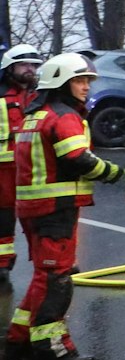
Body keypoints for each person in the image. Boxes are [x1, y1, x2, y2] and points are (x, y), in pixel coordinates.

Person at [8, 52, 125, 360]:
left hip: (33, 208)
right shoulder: (63, 117)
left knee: (43, 278)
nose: (86, 86)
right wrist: (114, 173)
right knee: (57, 281)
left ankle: (18, 340)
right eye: (79, 80)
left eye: (87, 80)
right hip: (55, 210)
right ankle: (52, 348)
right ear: (61, 83)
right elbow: (77, 158)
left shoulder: (34, 116)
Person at [0, 44, 43, 289]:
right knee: (3, 217)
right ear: (10, 68)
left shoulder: (39, 96)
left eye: (34, 65)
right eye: (24, 65)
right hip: (3, 170)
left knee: (38, 216)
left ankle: (47, 261)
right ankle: (2, 264)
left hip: (33, 167)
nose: (30, 69)